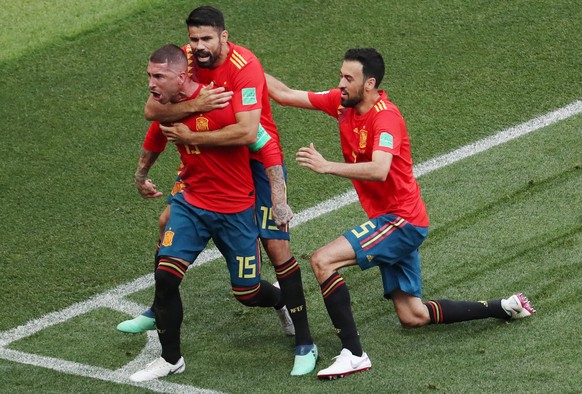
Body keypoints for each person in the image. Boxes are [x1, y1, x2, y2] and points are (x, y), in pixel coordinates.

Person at [266, 47, 536, 380]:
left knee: (323, 260)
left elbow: (380, 169)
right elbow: (284, 94)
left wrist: (327, 166)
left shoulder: (385, 117)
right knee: (413, 315)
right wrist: (240, 64)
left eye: (348, 78)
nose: (341, 83)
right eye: (341, 76)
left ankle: (353, 353)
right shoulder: (341, 102)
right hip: (397, 220)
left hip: (400, 221)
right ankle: (505, 306)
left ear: (370, 83)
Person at [119, 5, 318, 376]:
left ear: (224, 36)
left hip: (254, 163)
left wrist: (279, 198)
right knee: (167, 224)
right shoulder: (185, 63)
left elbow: (248, 133)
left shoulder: (245, 68)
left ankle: (304, 337)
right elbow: (155, 112)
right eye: (193, 39)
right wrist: (193, 107)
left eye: (206, 38)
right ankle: (159, 310)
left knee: (276, 247)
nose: (198, 46)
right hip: (203, 165)